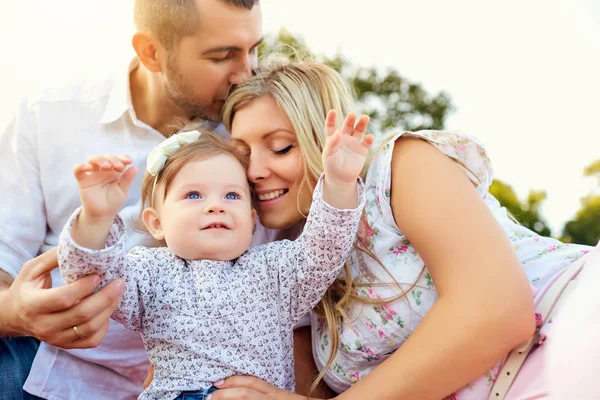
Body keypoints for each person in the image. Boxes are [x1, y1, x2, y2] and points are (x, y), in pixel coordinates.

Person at [200, 57, 592, 399]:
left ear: (324, 138)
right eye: (243, 154)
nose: (254, 171)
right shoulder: (293, 279)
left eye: (281, 147)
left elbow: (498, 310)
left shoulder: (398, 171)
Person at [0, 0, 263, 398]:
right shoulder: (48, 115)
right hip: (39, 359)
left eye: (254, 48)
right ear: (151, 52)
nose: (246, 74)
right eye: (222, 55)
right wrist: (16, 313)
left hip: (196, 382)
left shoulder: (256, 135)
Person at [58, 122, 370, 399]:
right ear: (156, 223)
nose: (215, 206)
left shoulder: (275, 270)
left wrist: (340, 182)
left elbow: (323, 249)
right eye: (194, 195)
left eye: (231, 196)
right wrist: (96, 219)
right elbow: (91, 280)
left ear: (251, 221)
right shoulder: (149, 271)